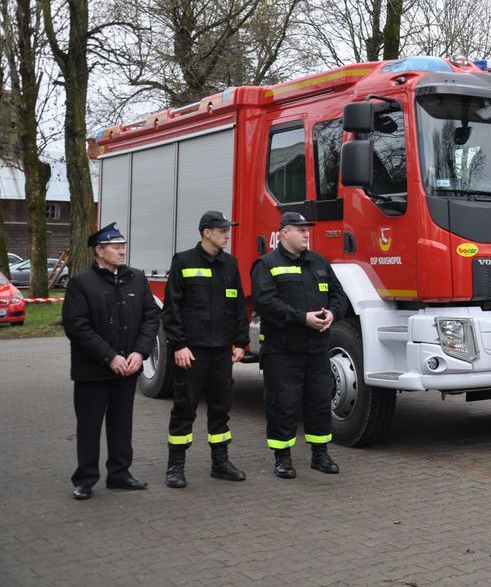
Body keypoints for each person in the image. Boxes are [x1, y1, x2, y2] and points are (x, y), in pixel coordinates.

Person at [62, 223, 160, 500]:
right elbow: (76, 326)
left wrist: (139, 353)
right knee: (89, 426)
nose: (122, 250)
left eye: (123, 246)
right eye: (116, 247)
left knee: (121, 424)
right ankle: (85, 479)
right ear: (99, 251)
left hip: (127, 369)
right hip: (92, 371)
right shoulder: (81, 283)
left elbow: (151, 317)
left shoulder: (136, 278)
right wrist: (110, 357)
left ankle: (120, 474)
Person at [251, 212, 348, 478]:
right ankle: (282, 458)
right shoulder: (267, 264)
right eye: (300, 230)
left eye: (307, 230)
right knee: (283, 404)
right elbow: (266, 303)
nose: (306, 234)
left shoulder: (318, 262)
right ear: (284, 234)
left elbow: (339, 295)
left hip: (316, 350)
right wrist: (301, 318)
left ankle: (320, 454)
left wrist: (332, 314)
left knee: (319, 402)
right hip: (282, 351)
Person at [162, 211, 251, 488]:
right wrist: (179, 345)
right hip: (192, 352)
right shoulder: (184, 261)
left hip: (222, 351)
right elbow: (172, 308)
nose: (227, 234)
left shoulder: (230, 264)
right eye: (222, 230)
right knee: (185, 408)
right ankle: (175, 466)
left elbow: (237, 306)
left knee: (221, 407)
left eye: (228, 229)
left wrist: (240, 342)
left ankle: (220, 463)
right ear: (206, 232)